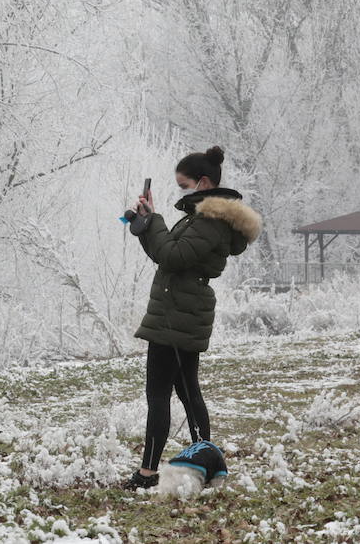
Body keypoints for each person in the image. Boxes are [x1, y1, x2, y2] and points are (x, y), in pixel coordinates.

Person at [122, 145, 262, 490]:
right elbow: (167, 252)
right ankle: (205, 462)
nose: (180, 190)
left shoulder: (210, 221)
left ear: (202, 183)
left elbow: (171, 254)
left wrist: (152, 222)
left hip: (178, 312)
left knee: (160, 392)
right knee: (186, 390)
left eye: (183, 184)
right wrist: (146, 225)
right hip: (181, 308)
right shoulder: (202, 218)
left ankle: (148, 474)